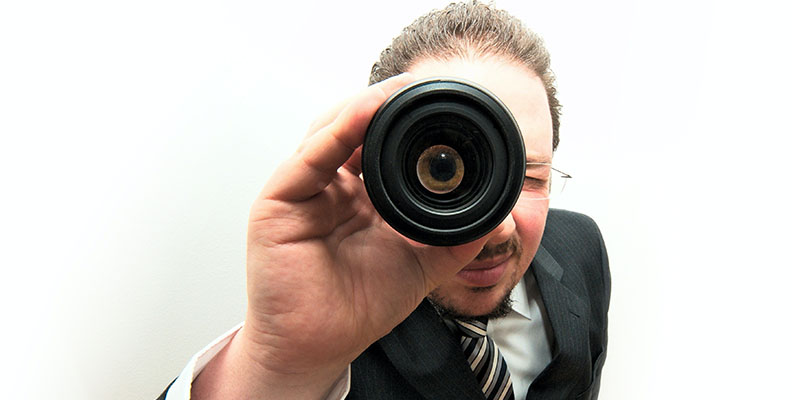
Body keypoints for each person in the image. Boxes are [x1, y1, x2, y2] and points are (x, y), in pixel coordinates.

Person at [158, 2, 610, 399]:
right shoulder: (337, 328)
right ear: (379, 171)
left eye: (528, 178)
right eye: (443, 169)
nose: (495, 227)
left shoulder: (581, 245)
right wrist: (279, 364)